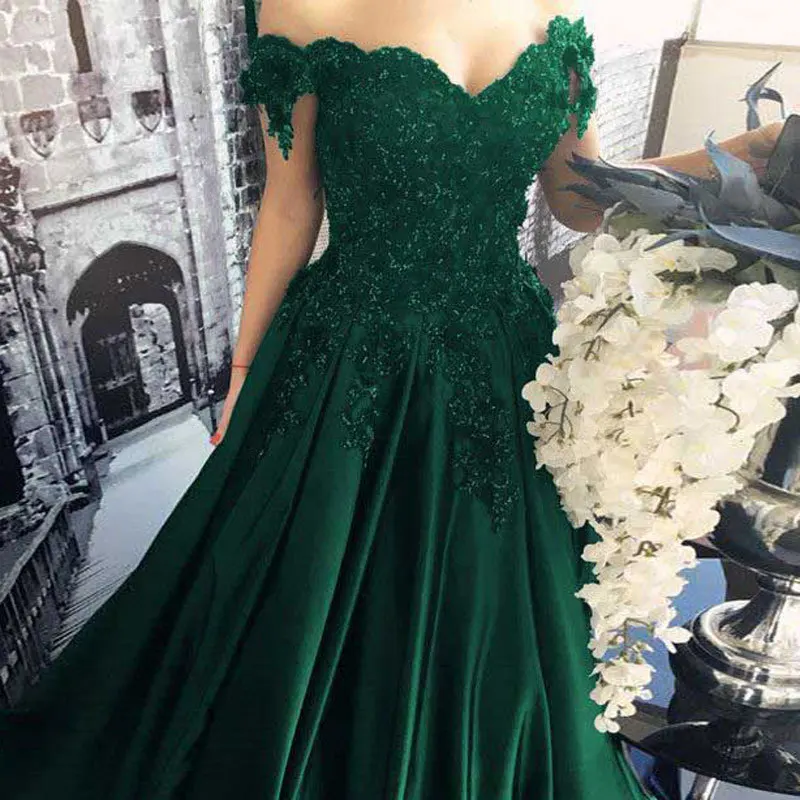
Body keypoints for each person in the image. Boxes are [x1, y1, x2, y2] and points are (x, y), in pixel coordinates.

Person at [0, 0, 783, 797]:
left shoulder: (550, 14)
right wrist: (242, 375)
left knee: (494, 602)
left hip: (504, 354)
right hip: (352, 350)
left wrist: (742, 157)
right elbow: (291, 202)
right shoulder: (304, 7)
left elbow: (582, 198)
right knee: (310, 584)